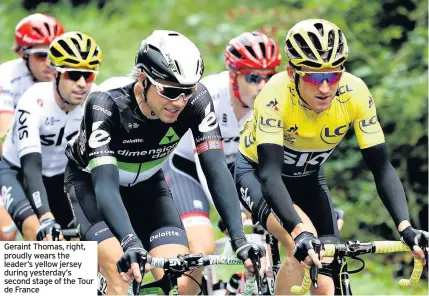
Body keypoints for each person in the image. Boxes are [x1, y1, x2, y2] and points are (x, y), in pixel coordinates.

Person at [63, 30, 265, 295]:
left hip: (149, 184)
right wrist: (130, 242)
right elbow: (106, 186)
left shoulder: (197, 101)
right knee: (122, 273)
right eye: (170, 92)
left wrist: (239, 239)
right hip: (92, 186)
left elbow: (215, 168)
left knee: (179, 280)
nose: (180, 102)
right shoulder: (105, 103)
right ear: (144, 79)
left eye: (187, 91)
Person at [235, 19, 428, 295]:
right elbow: (269, 175)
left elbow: (382, 168)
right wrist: (300, 232)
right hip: (258, 175)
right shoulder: (274, 95)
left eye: (333, 76)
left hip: (309, 180)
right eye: (314, 77)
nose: (325, 88)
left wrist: (406, 227)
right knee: (300, 247)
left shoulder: (355, 93)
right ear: (292, 73)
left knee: (328, 280)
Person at [163, 31, 281, 290]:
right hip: (189, 171)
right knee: (200, 252)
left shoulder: (275, 103)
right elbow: (208, 166)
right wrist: (231, 212)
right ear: (233, 77)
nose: (263, 85)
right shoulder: (209, 97)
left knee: (267, 251)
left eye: (269, 77)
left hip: (234, 169)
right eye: (253, 77)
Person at [0, 31, 101, 242]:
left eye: (88, 75)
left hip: (60, 176)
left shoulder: (97, 102)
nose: (82, 83)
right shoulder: (33, 101)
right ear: (55, 74)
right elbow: (31, 169)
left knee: (82, 242)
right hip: (17, 171)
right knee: (38, 233)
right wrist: (45, 217)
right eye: (73, 75)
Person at [0, 13, 64, 241]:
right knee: (7, 231)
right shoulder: (7, 77)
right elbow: (4, 132)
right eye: (40, 55)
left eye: (55, 54)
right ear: (21, 54)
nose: (49, 63)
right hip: (11, 159)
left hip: (47, 166)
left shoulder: (66, 80)